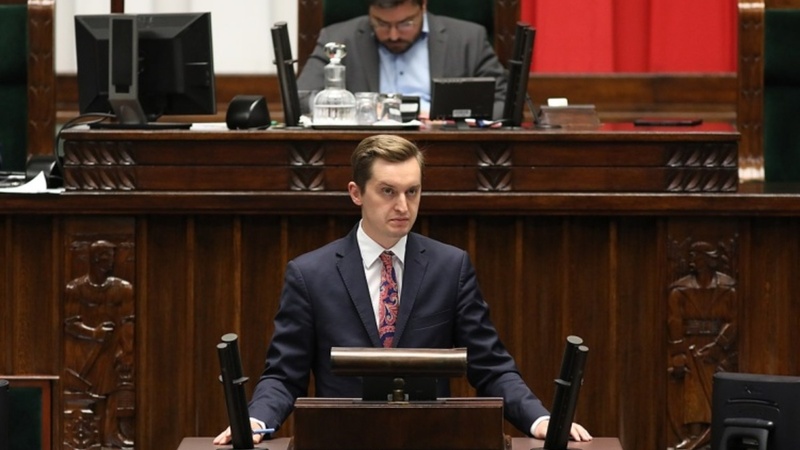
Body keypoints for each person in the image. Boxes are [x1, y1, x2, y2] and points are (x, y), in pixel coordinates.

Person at [214, 134, 592, 445]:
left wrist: (540, 419)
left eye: (412, 191)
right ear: (356, 193)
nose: (403, 206)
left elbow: (490, 366)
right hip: (342, 440)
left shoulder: (450, 267)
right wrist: (255, 421)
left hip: (432, 440)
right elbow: (285, 374)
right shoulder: (310, 275)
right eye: (388, 191)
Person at [296, 0, 508, 119]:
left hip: (443, 144)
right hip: (366, 147)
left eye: (405, 23)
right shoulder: (338, 38)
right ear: (370, 12)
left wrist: (454, 117)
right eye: (381, 24)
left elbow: (503, 103)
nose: (394, 35)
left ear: (423, 6)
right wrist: (363, 109)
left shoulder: (468, 39)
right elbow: (301, 99)